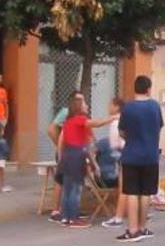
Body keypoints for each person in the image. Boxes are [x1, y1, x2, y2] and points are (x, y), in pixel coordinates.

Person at [115, 76, 164, 242]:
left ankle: (132, 229)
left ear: (134, 88)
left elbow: (121, 132)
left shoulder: (128, 108)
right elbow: (159, 127)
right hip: (150, 155)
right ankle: (143, 228)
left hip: (131, 155)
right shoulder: (155, 106)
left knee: (132, 192)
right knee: (145, 193)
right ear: (149, 89)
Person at [57, 97, 114, 228]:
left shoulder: (68, 122)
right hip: (76, 157)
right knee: (76, 189)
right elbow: (97, 123)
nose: (86, 105)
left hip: (68, 155)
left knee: (67, 188)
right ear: (78, 107)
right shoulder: (80, 120)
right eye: (84, 104)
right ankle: (73, 218)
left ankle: (66, 217)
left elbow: (85, 144)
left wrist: (93, 162)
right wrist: (113, 118)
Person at [46, 91, 85, 223]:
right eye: (80, 100)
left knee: (67, 182)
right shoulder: (66, 112)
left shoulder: (78, 115)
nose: (82, 102)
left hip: (71, 152)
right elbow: (51, 129)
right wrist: (60, 145)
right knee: (61, 180)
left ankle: (68, 210)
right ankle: (56, 210)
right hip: (67, 152)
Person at [94, 97, 124, 189]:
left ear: (116, 107)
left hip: (112, 175)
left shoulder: (116, 123)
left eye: (110, 105)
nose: (108, 107)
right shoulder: (118, 120)